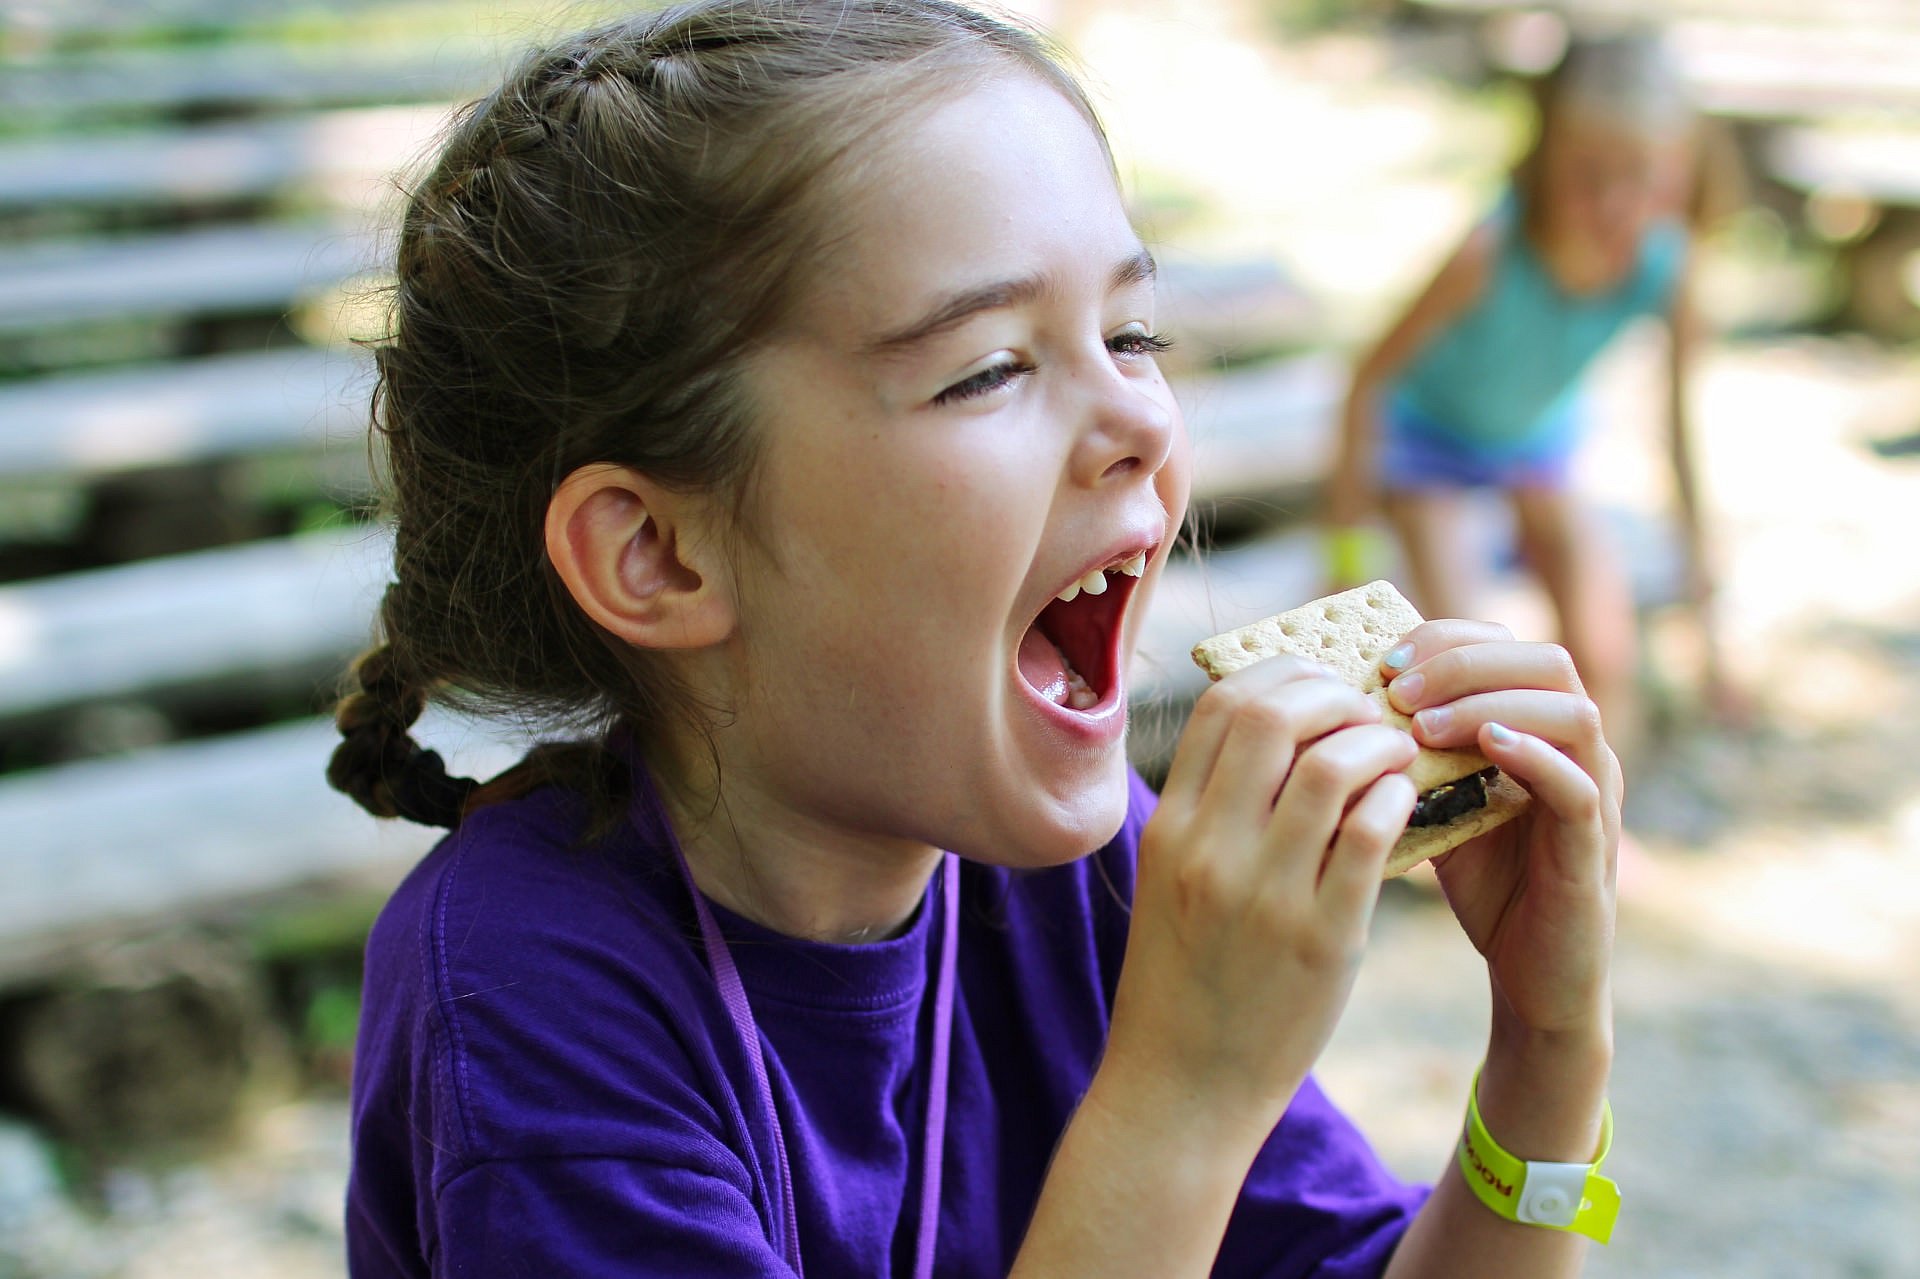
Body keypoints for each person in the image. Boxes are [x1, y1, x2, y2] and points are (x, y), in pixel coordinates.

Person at [327, 3, 1622, 1275]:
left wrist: (1550, 1045)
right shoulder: (521, 995)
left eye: (1131, 334)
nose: (1137, 419)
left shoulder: (1082, 869)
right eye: (991, 367)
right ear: (659, 553)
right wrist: (1183, 1090)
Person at [1325, 31, 1740, 760]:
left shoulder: (1666, 270)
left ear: (1680, 171)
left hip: (1536, 450)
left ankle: (1596, 824)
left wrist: (1709, 626)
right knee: (1461, 650)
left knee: (1604, 648)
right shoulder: (1490, 251)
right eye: (1588, 173)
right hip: (1430, 448)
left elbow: (1678, 431)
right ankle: (1464, 811)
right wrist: (1346, 548)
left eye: (1640, 175)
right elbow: (1368, 380)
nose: (1612, 202)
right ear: (1548, 157)